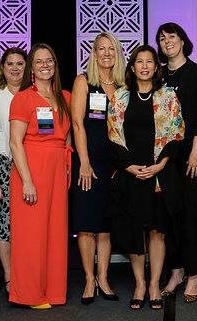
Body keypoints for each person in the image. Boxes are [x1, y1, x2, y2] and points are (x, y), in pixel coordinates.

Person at [108, 45, 184, 310]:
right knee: (134, 231)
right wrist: (129, 167)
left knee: (157, 231)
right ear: (132, 67)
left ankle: (154, 284)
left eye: (149, 61)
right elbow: (113, 135)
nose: (144, 66)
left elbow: (177, 133)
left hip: (159, 175)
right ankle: (139, 283)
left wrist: (161, 164)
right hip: (131, 173)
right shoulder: (120, 96)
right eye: (139, 61)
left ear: (156, 66)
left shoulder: (168, 97)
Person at [8, 43, 72, 309]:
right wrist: (27, 181)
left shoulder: (65, 97)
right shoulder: (23, 98)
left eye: (49, 61)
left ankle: (54, 291)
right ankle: (30, 294)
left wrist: (68, 167)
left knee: (56, 233)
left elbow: (67, 135)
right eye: (39, 62)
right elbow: (14, 142)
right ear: (31, 68)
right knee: (31, 235)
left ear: (55, 65)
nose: (45, 65)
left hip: (58, 169)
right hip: (32, 168)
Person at [156, 22, 197, 302]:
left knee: (190, 217)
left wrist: (196, 152)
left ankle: (194, 274)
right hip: (165, 159)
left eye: (172, 36)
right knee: (169, 216)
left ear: (183, 39)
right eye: (162, 38)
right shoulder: (158, 74)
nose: (167, 42)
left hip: (192, 155)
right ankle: (175, 271)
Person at [70, 32, 123, 304]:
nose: (106, 53)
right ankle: (89, 280)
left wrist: (122, 165)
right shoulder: (84, 82)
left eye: (110, 49)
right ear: (93, 53)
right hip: (88, 164)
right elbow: (77, 124)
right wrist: (85, 161)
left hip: (115, 166)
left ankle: (104, 278)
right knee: (86, 224)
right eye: (101, 49)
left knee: (106, 225)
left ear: (117, 53)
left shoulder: (124, 85)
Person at [0, 47, 27, 293]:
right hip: (1, 161)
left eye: (20, 63)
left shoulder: (35, 92)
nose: (14, 68)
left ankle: (27, 270)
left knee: (27, 220)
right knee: (4, 220)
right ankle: (10, 275)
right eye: (9, 63)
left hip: (30, 163)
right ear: (2, 67)